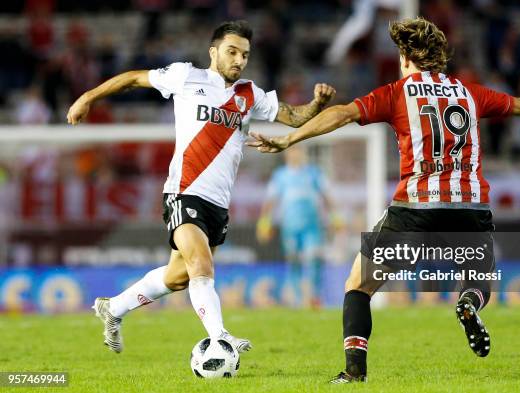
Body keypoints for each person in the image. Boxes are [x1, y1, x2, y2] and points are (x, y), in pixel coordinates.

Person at [248, 17, 520, 383]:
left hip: (416, 208)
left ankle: (354, 373)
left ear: (405, 57)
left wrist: (291, 139)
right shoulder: (469, 93)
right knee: (479, 284)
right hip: (470, 207)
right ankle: (467, 303)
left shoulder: (398, 92)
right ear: (439, 58)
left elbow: (342, 113)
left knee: (359, 286)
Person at [66, 20, 336, 354]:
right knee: (202, 266)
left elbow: (293, 117)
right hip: (183, 190)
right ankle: (221, 338)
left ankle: (113, 308)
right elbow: (135, 78)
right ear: (214, 52)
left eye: (245, 55)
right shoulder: (186, 76)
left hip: (218, 203)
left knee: (179, 276)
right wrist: (88, 97)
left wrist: (317, 104)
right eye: (232, 52)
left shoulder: (250, 94)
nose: (238, 60)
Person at [257, 144, 332, 308]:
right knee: (294, 260)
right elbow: (270, 201)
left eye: (299, 151)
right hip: (290, 227)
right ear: (287, 155)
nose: (295, 155)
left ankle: (314, 296)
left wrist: (335, 218)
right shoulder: (280, 176)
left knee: (314, 258)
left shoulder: (314, 173)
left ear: (303, 154)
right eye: (292, 152)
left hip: (312, 226)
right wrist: (264, 223)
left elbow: (326, 197)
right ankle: (299, 299)